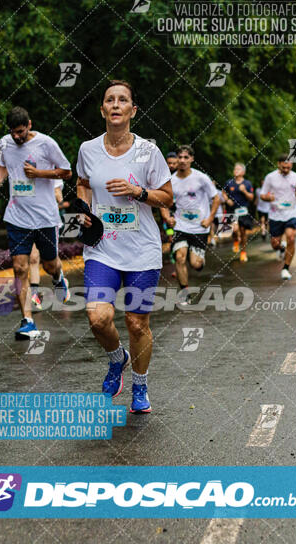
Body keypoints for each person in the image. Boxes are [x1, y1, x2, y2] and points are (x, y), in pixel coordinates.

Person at [76, 80, 172, 413]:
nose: (116, 105)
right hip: (103, 248)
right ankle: (118, 359)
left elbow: (167, 197)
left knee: (136, 323)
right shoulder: (88, 150)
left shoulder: (149, 152)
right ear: (103, 109)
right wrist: (85, 211)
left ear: (133, 110)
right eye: (109, 100)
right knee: (98, 317)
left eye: (123, 100)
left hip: (142, 251)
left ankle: (140, 387)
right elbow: (83, 184)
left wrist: (138, 192)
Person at [0, 106, 72, 339]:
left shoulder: (46, 143)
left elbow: (66, 172)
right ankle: (28, 321)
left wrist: (39, 173)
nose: (17, 136)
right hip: (17, 216)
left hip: (45, 216)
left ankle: (58, 277)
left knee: (49, 264)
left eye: (20, 131)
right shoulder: (5, 143)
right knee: (20, 267)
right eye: (13, 132)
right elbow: (4, 164)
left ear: (29, 125)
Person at [161, 146, 220, 300]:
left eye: (186, 157)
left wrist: (210, 219)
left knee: (196, 264)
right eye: (180, 157)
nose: (182, 160)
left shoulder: (201, 178)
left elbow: (216, 198)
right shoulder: (171, 181)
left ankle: (197, 260)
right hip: (181, 225)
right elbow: (162, 201)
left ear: (192, 159)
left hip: (199, 228)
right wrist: (167, 217)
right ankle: (184, 292)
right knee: (180, 257)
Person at [30, 179, 70, 311]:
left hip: (49, 222)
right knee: (33, 257)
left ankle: (58, 278)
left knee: (51, 265)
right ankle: (34, 295)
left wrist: (49, 191)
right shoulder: (23, 171)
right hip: (29, 220)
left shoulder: (51, 172)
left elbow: (59, 197)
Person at [260, 155, 296, 280]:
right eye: (284, 165)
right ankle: (281, 247)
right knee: (274, 244)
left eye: (288, 165)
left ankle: (286, 268)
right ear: (278, 164)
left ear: (292, 164)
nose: (286, 168)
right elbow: (262, 195)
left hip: (291, 212)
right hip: (276, 214)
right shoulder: (270, 177)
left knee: (291, 237)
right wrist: (268, 197)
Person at [222, 163, 254, 262]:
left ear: (243, 172)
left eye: (238, 169)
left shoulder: (247, 184)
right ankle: (236, 240)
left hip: (243, 210)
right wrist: (227, 200)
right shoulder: (229, 182)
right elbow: (223, 192)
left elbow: (251, 198)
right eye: (235, 169)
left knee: (243, 231)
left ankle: (243, 252)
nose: (236, 171)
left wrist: (244, 191)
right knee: (234, 229)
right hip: (232, 210)